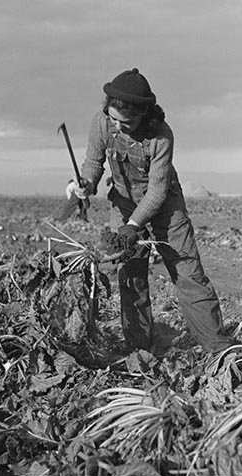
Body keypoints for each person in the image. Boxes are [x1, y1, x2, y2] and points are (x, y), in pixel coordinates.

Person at [65, 67, 232, 353]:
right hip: (123, 202)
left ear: (144, 114)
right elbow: (93, 163)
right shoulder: (102, 122)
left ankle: (218, 349)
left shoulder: (161, 137)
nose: (117, 127)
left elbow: (156, 192)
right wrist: (85, 184)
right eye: (114, 120)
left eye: (126, 123)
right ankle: (139, 349)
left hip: (166, 207)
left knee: (188, 275)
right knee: (131, 277)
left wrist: (133, 225)